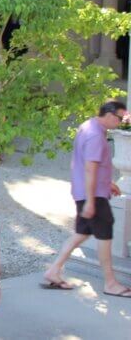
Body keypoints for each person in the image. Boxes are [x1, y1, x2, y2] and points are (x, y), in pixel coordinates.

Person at [43, 100, 131, 297]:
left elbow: (91, 165)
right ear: (108, 114)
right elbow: (90, 169)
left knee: (82, 233)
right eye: (119, 118)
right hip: (93, 196)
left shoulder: (88, 126)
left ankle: (53, 270)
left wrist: (107, 183)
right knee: (104, 236)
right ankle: (110, 283)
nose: (119, 122)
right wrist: (91, 201)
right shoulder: (95, 136)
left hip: (87, 192)